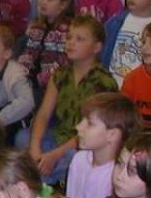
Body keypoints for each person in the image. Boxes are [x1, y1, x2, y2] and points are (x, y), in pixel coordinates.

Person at [23, 15, 118, 184]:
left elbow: (94, 133)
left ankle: (40, 178)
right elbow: (44, 113)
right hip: (59, 136)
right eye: (69, 37)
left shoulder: (104, 82)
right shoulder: (59, 75)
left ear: (96, 47)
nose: (71, 42)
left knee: (77, 158)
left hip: (85, 143)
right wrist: (34, 147)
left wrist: (53, 155)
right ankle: (45, 177)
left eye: (79, 39)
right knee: (23, 137)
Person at [67, 92, 142, 198]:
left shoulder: (119, 177)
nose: (78, 127)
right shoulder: (79, 159)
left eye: (89, 123)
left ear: (112, 134)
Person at [17, 0, 74, 92]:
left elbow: (63, 64)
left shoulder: (67, 30)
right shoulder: (38, 26)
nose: (43, 2)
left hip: (52, 84)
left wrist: (38, 80)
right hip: (32, 79)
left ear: (63, 4)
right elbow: (29, 52)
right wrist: (20, 72)